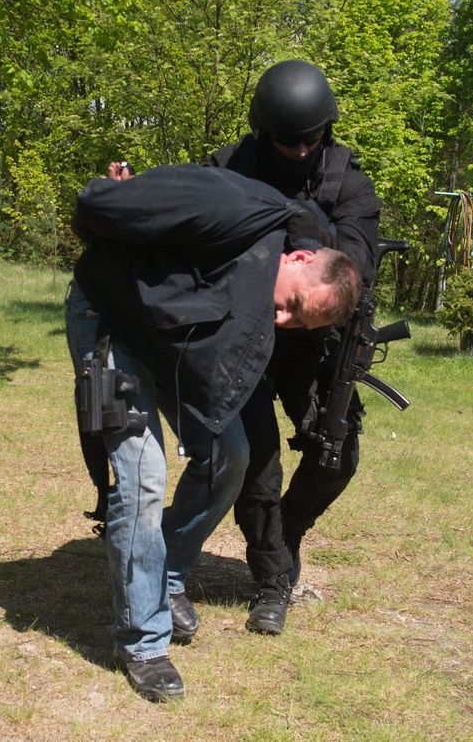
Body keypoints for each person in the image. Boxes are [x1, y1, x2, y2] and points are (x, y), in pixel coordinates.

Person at [66, 164, 361, 702]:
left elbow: (307, 222)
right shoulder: (231, 207)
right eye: (292, 304)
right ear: (297, 260)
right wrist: (123, 196)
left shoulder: (280, 254)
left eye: (298, 324)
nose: (281, 320)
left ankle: (166, 575)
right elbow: (97, 207)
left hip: (166, 343)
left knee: (232, 455)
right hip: (107, 319)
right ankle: (144, 642)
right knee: (143, 477)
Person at [180, 59, 382, 637]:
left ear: (327, 130)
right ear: (264, 132)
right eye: (286, 140)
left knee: (334, 456)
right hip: (241, 332)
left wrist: (295, 220)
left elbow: (354, 269)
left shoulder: (349, 184)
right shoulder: (229, 167)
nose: (298, 150)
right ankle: (273, 579)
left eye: (310, 138)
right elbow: (186, 224)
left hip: (314, 341)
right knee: (258, 466)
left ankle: (287, 530)